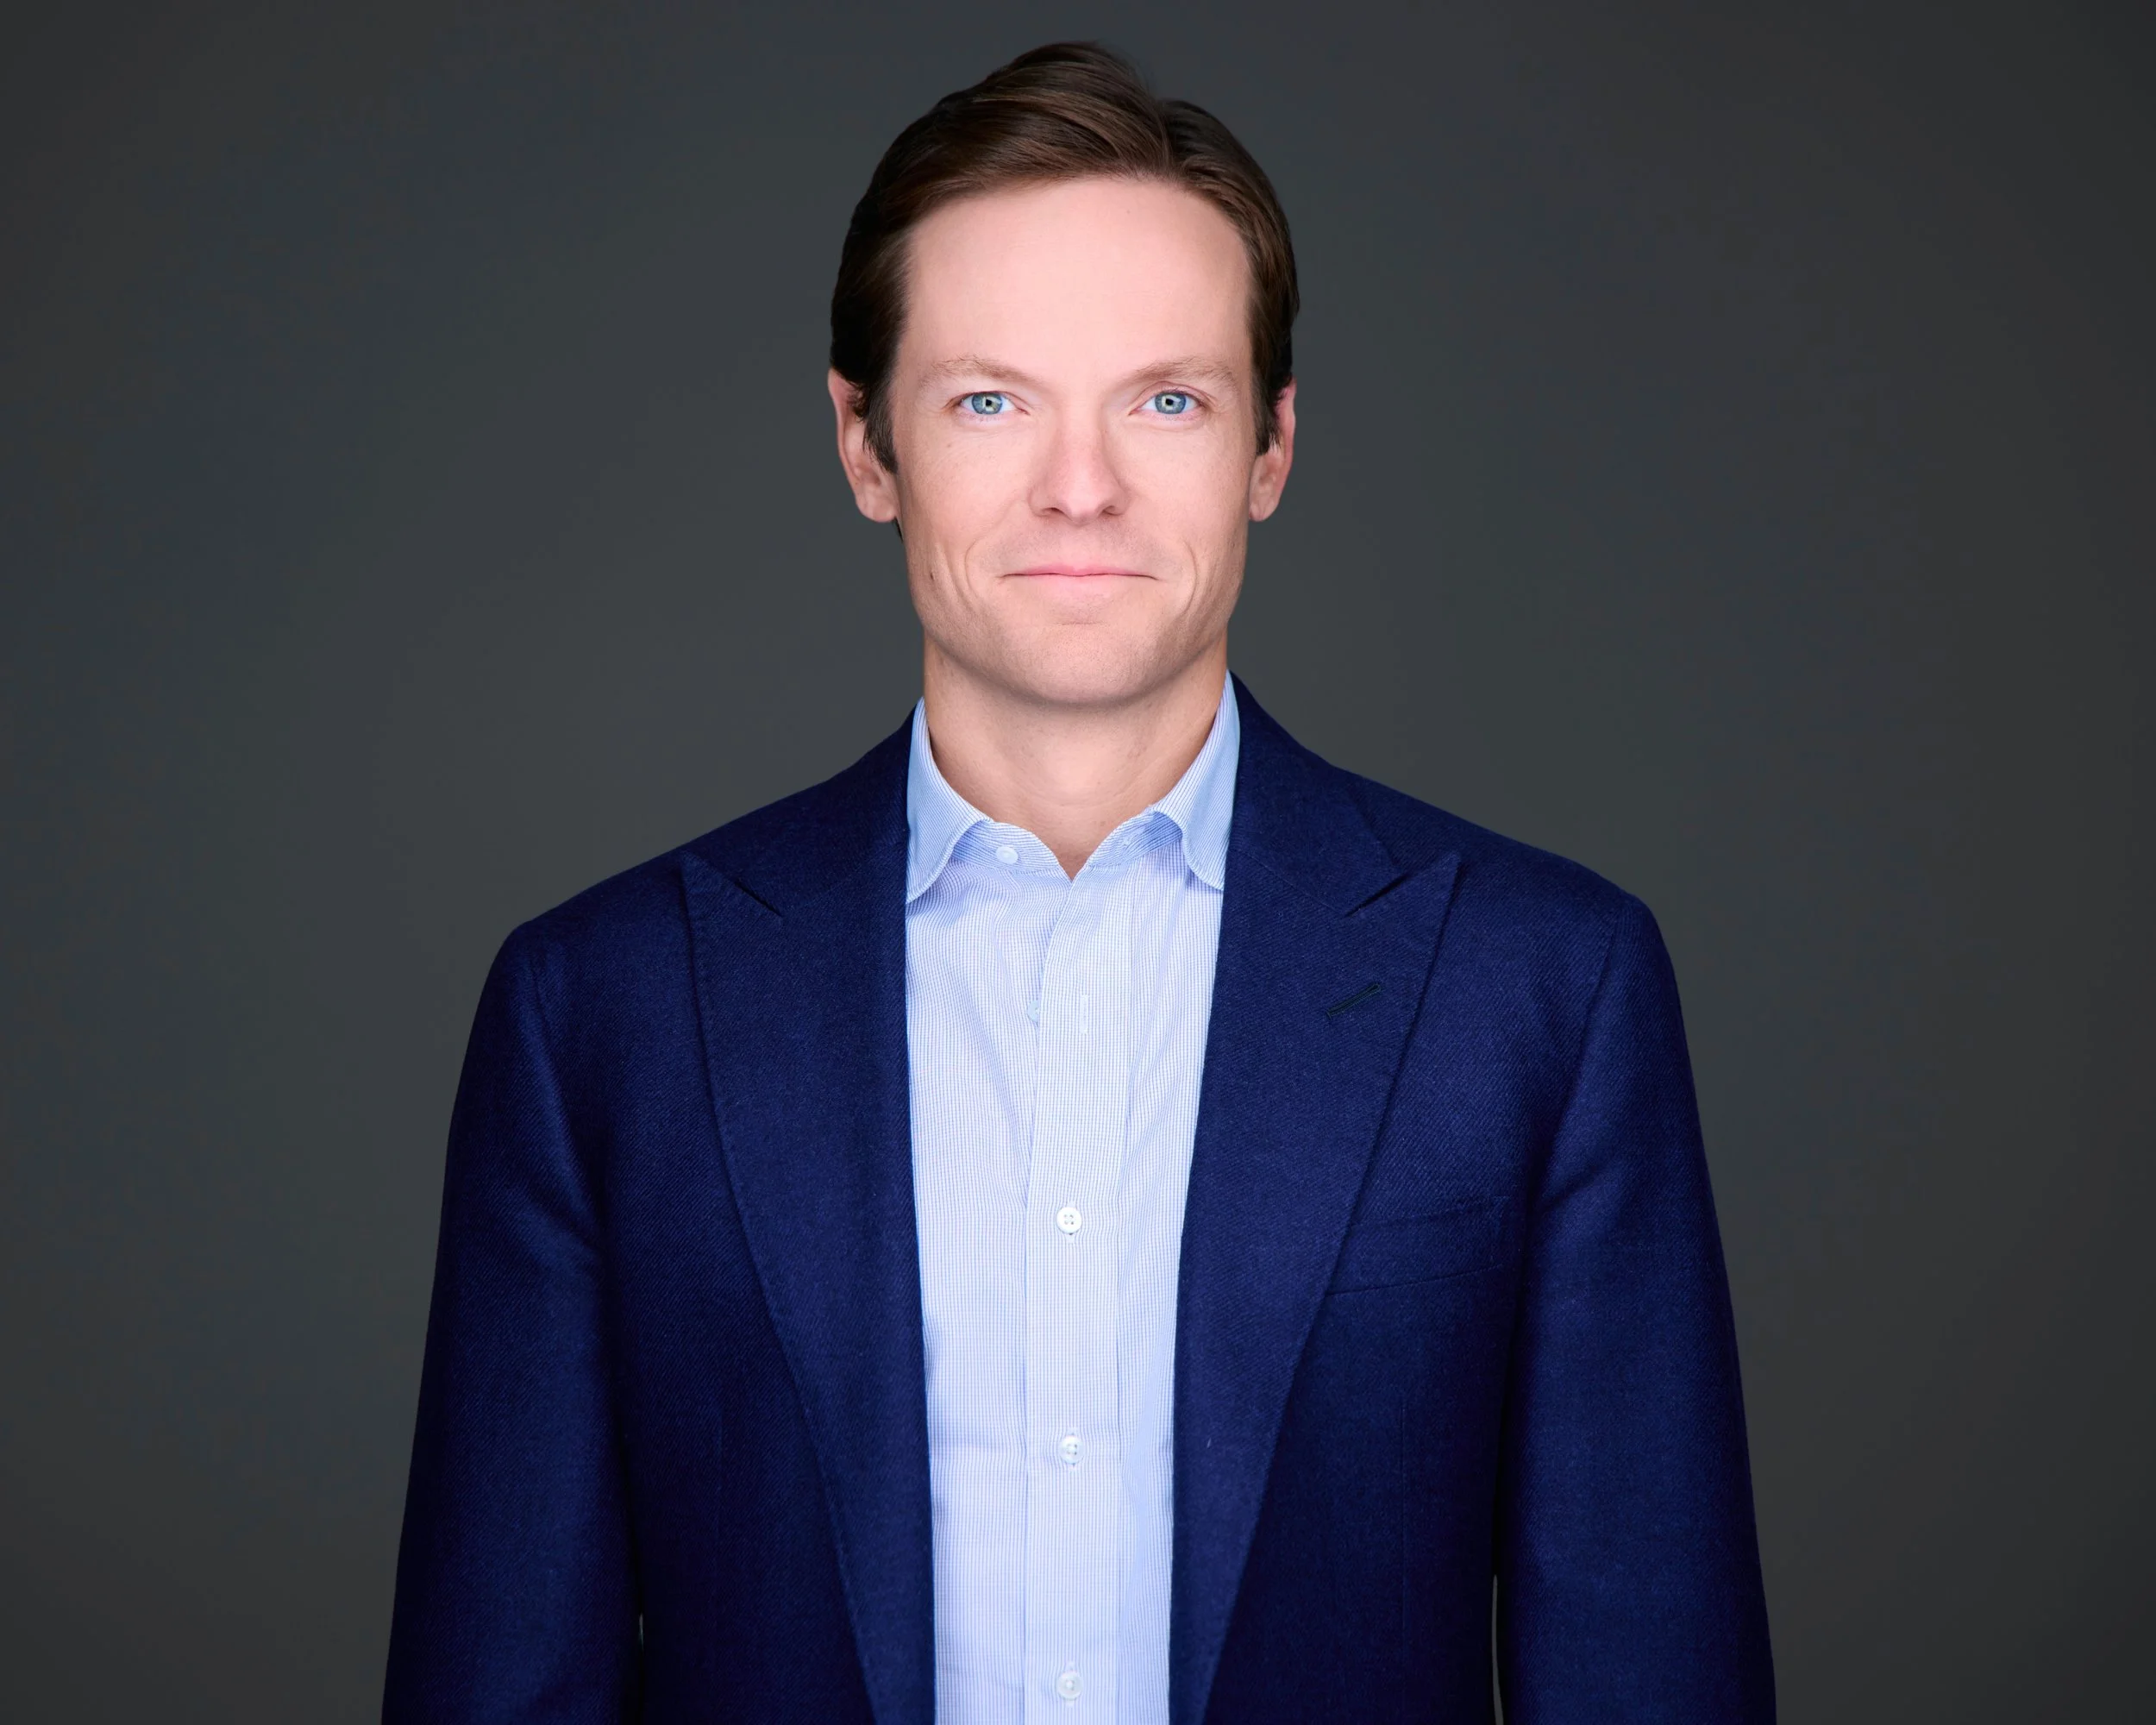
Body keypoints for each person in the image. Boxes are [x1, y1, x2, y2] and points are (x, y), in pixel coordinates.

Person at [383, 41, 1774, 1725]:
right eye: (989, 398)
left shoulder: (1543, 993)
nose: (1080, 483)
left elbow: (1648, 1676)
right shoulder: (594, 1014)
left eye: (1164, 399)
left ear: (1266, 447)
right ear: (861, 443)